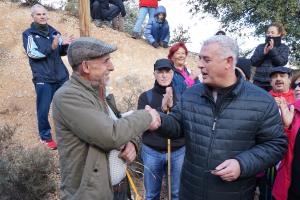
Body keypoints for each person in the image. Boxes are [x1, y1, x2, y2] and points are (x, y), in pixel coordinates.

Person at [149, 35, 288, 200]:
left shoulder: (261, 101)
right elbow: (177, 125)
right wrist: (159, 120)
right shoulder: (192, 93)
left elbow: (275, 145)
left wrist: (242, 164)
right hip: (191, 192)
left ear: (228, 62)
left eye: (206, 60)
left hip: (234, 194)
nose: (199, 65)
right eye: (200, 59)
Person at [52, 37, 160, 199]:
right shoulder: (68, 96)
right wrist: (147, 116)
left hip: (120, 190)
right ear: (86, 66)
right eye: (106, 61)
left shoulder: (99, 93)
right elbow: (111, 134)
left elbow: (120, 124)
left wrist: (133, 144)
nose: (112, 67)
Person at [22, 4, 74, 150]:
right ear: (33, 16)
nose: (42, 16)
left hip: (61, 77)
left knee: (67, 107)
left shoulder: (54, 31)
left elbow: (60, 52)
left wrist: (66, 45)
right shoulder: (29, 34)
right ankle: (45, 137)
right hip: (43, 79)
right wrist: (52, 47)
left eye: (44, 14)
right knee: (43, 109)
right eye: (38, 14)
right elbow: (33, 53)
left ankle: (70, 135)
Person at [138, 58, 185, 200]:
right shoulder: (145, 97)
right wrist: (162, 109)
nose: (164, 75)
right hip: (152, 152)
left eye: (167, 71)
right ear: (154, 74)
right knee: (151, 195)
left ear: (173, 73)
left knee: (177, 194)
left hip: (177, 151)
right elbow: (142, 123)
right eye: (160, 72)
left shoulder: (182, 97)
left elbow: (185, 122)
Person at [272, 72, 300, 200]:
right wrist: (286, 127)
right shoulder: (291, 111)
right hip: (289, 187)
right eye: (296, 85)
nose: (298, 88)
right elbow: (280, 151)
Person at [251, 22, 289, 91]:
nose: (270, 34)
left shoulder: (284, 47)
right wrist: (263, 53)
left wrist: (272, 50)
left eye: (272, 32)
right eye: (268, 32)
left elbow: (282, 62)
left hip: (274, 82)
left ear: (279, 34)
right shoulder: (260, 47)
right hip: (258, 81)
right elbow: (253, 62)